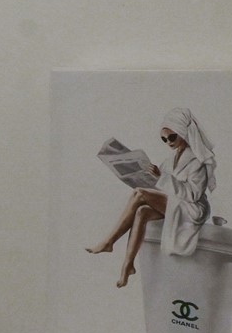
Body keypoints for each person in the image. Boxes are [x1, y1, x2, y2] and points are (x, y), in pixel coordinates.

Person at [88, 108, 216, 287]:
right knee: (142, 212)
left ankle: (109, 242)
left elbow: (193, 194)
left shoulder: (197, 161)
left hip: (191, 208)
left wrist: (161, 178)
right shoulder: (171, 158)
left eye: (172, 137)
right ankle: (128, 264)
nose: (168, 142)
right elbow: (162, 185)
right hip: (173, 202)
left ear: (183, 133)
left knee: (139, 193)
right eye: (164, 139)